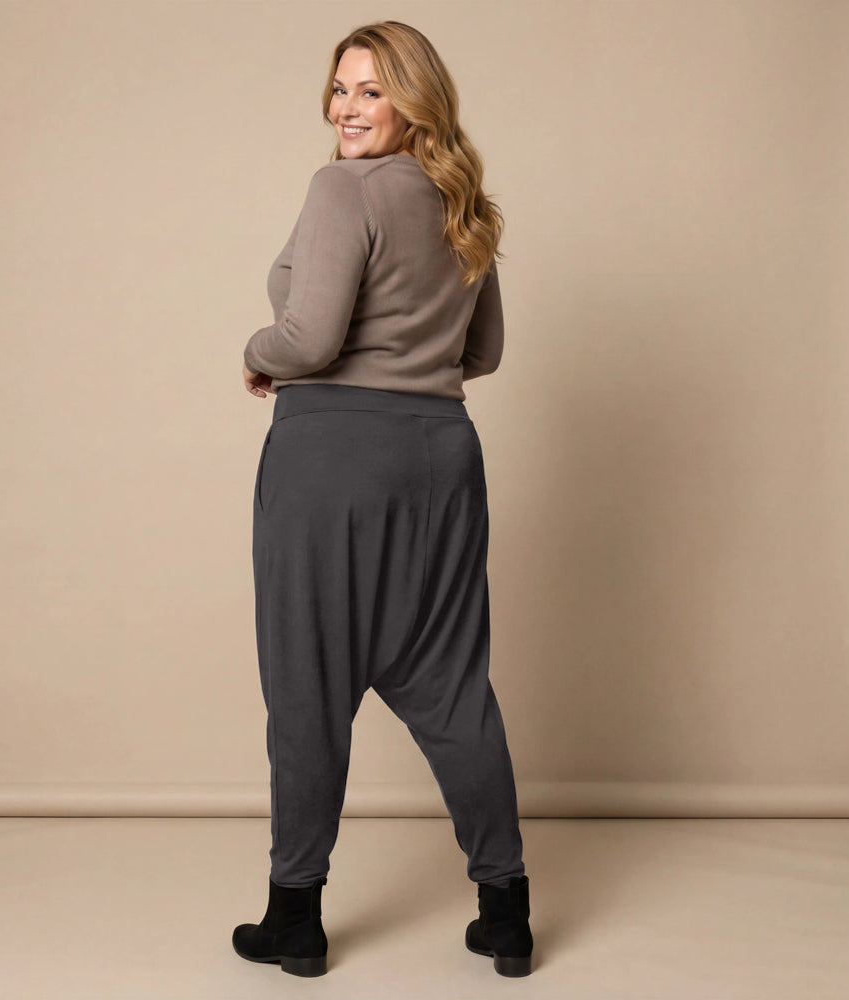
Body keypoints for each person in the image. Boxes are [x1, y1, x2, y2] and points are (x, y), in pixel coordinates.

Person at [233, 21, 533, 979]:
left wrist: (257, 352)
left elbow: (310, 339)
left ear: (415, 100)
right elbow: (482, 353)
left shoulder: (343, 190)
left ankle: (295, 916)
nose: (347, 108)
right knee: (450, 683)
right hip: (443, 455)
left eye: (371, 90)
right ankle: (507, 911)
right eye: (339, 89)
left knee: (309, 686)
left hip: (333, 460)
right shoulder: (462, 203)